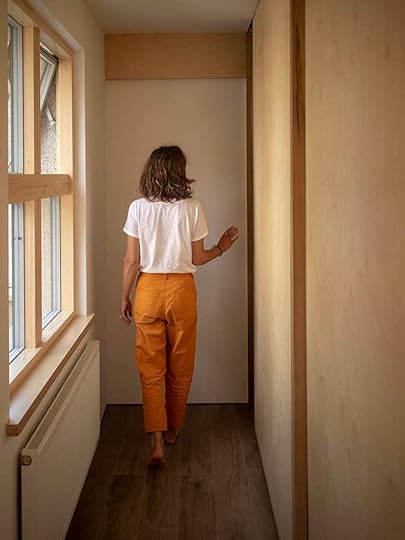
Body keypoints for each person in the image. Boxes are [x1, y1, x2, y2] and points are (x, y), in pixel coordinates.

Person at [120, 145, 239, 467]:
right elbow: (198, 258)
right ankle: (173, 429)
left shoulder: (137, 209)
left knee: (150, 369)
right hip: (182, 291)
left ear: (150, 171)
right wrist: (221, 248)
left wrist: (124, 297)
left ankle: (156, 441)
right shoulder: (192, 208)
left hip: (147, 290)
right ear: (179, 172)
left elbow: (131, 261)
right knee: (181, 364)